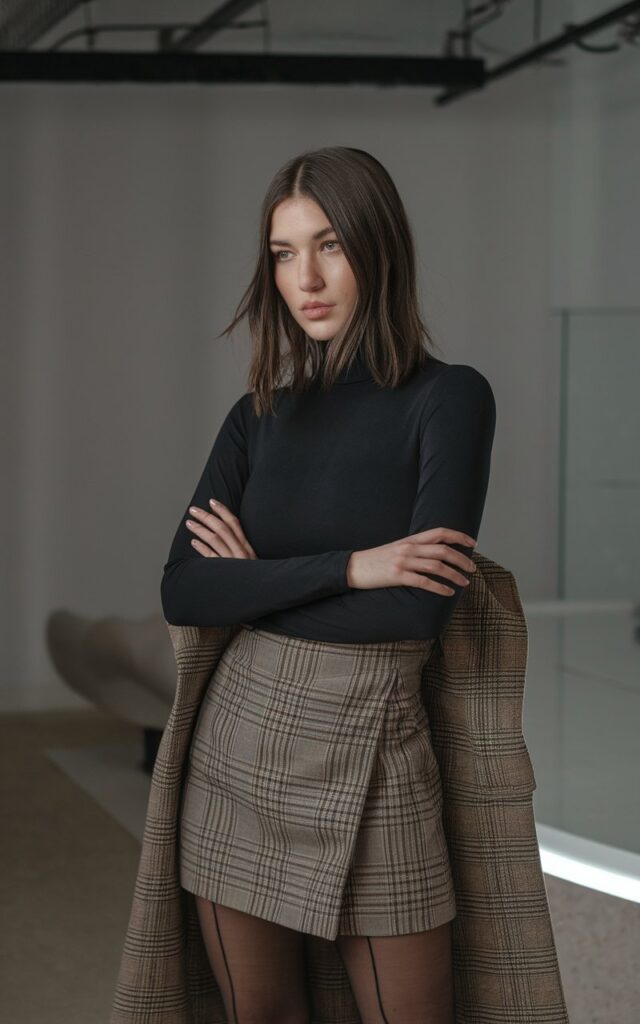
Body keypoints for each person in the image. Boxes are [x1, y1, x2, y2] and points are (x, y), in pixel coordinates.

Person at [160, 146, 496, 1024]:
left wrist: (257, 581)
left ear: (380, 250)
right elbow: (183, 591)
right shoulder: (257, 415)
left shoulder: (449, 399)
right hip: (238, 746)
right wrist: (353, 565)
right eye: (282, 252)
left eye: (331, 245)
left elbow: (415, 609)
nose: (304, 277)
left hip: (376, 748)